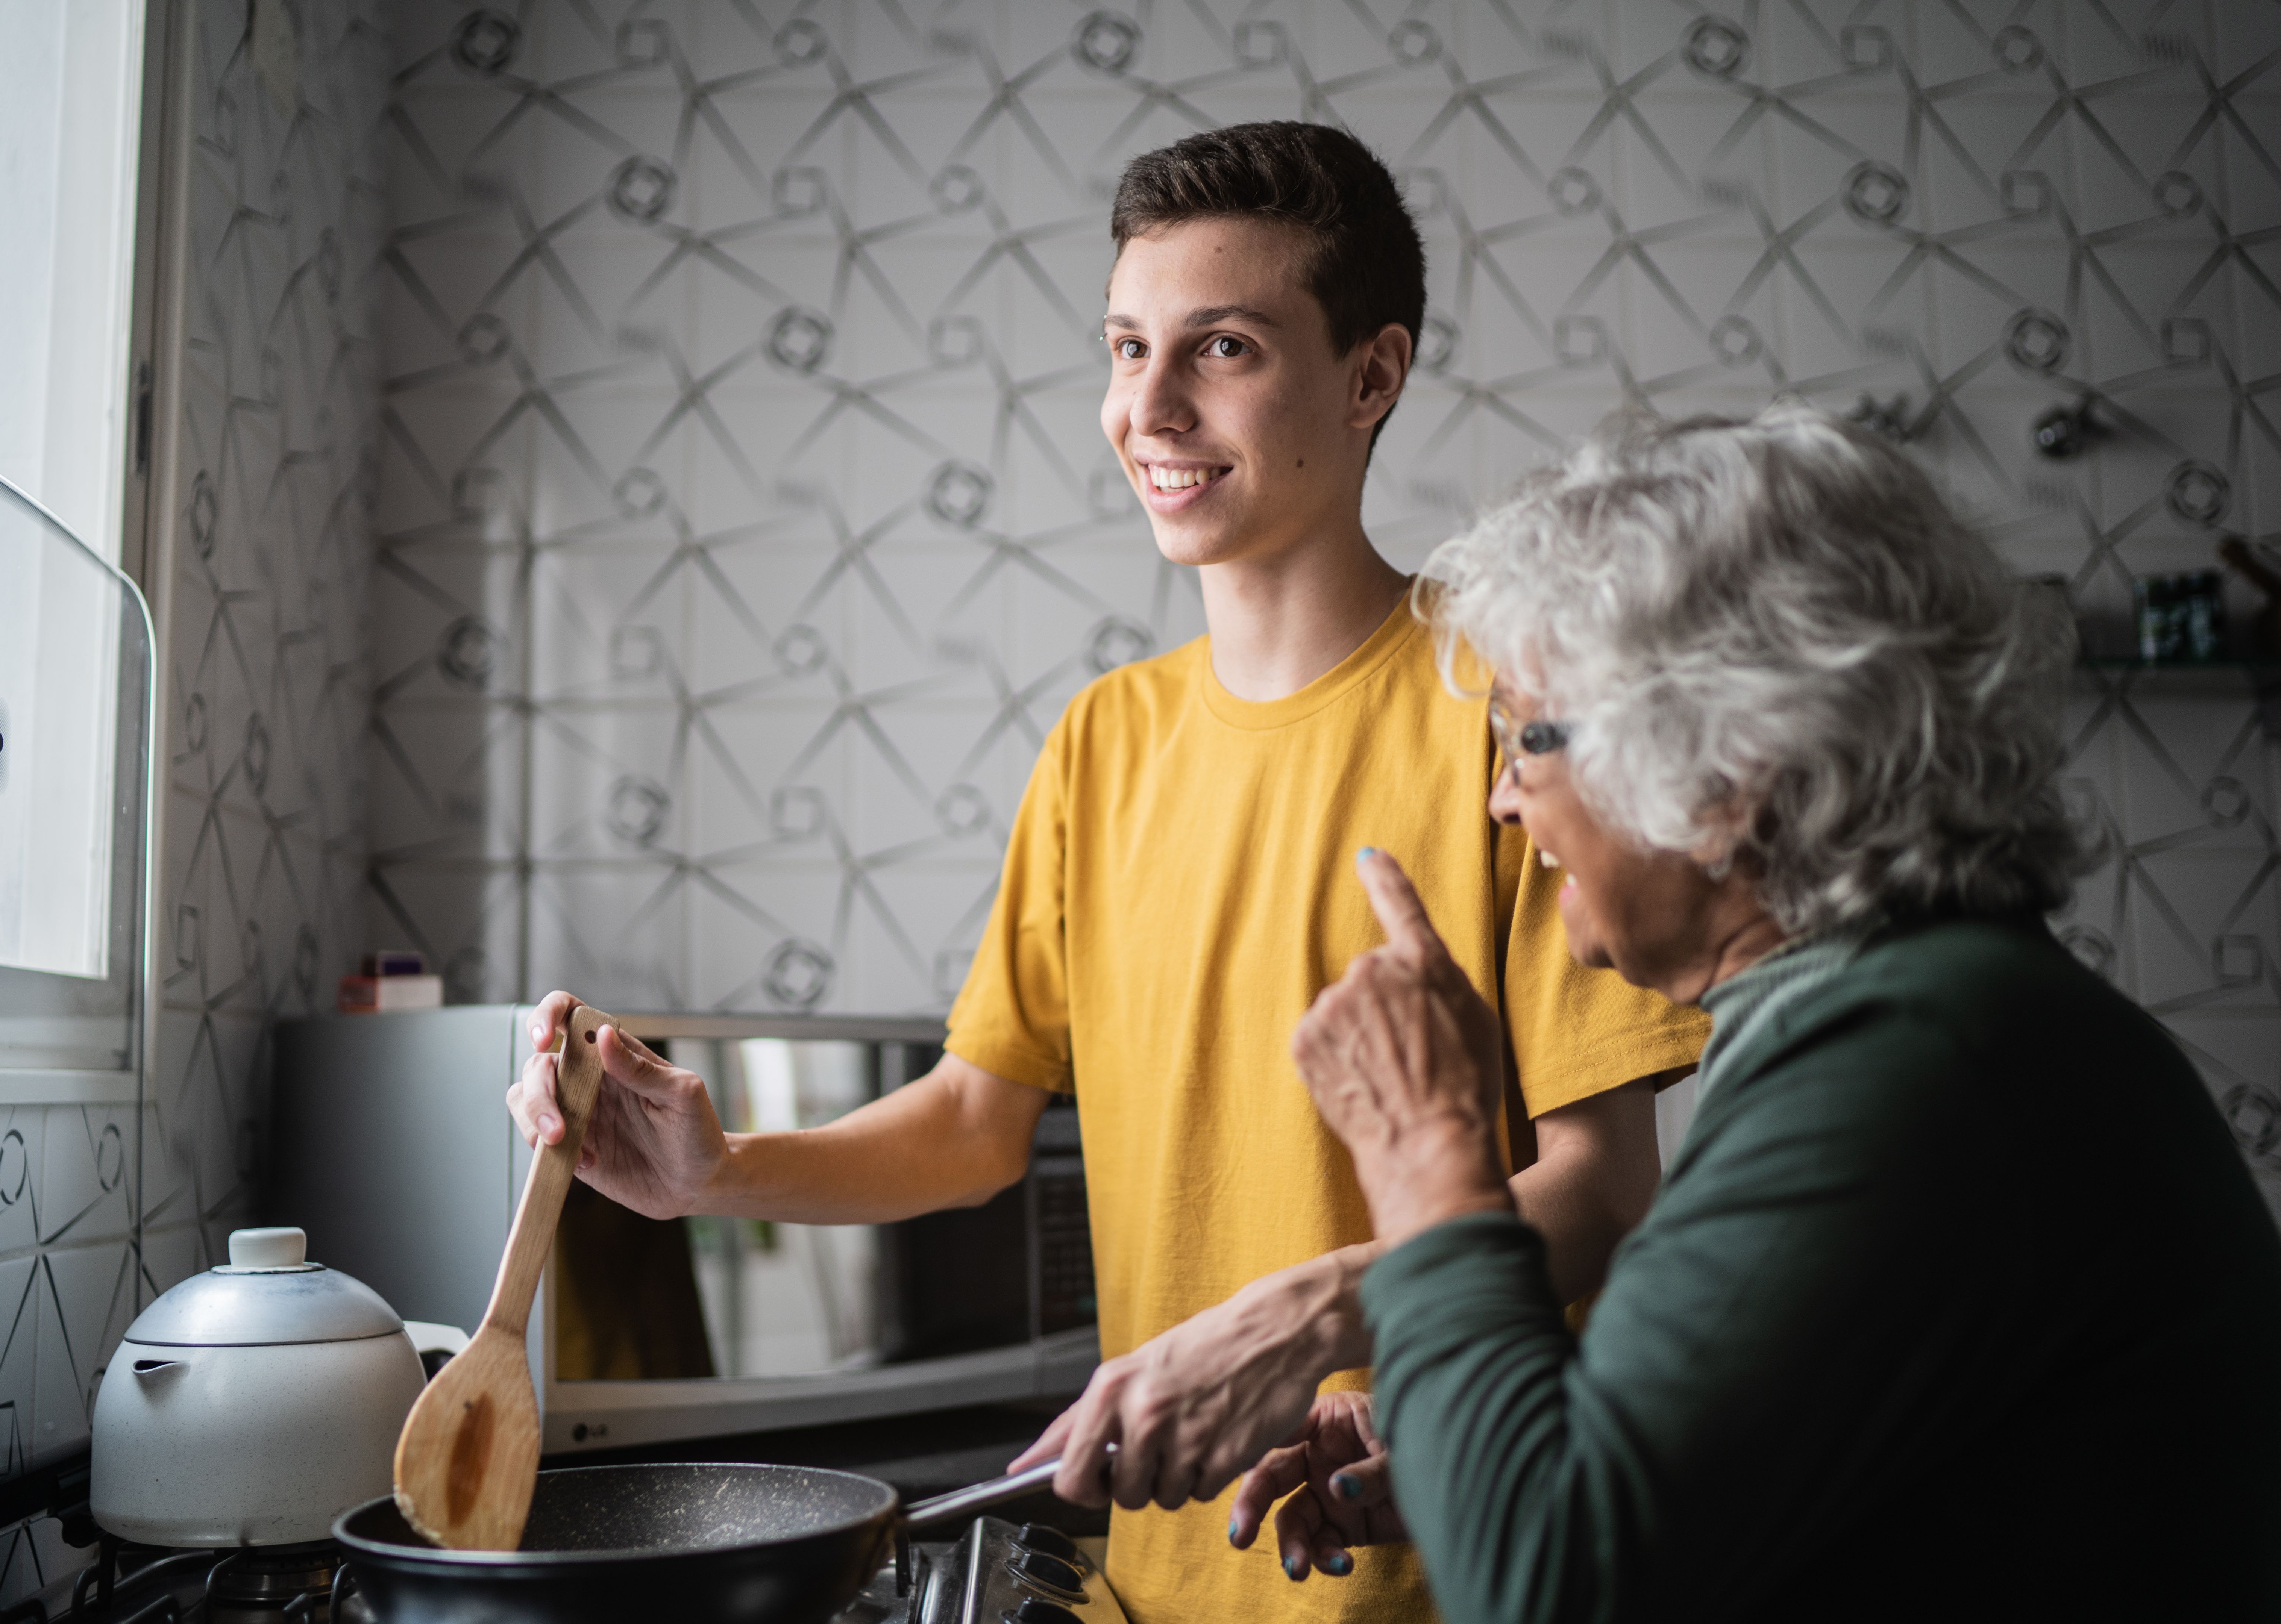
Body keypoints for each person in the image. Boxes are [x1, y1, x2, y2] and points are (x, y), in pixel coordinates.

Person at [507, 123, 1708, 1624]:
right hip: (1148, 1587)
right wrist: (719, 1176)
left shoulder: (1502, 709)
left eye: (1221, 348)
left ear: (1372, 375)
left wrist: (1306, 1319)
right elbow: (972, 1124)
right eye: (1128, 345)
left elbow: (1600, 1189)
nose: (1148, 406)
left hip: (1442, 1570)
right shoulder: (1103, 742)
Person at [1243, 404, 2281, 1619]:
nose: (1503, 804)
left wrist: (1429, 1147)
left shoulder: (1916, 1065)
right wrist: (1472, 1447)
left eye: (1527, 740)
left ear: (1728, 771)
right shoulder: (1913, 1017)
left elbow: (1550, 1592)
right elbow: (1773, 1451)